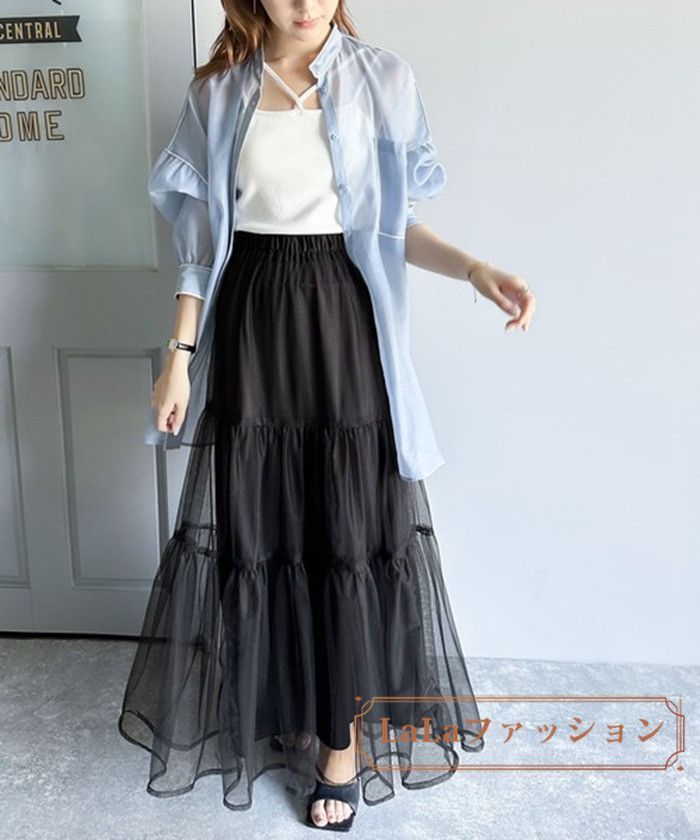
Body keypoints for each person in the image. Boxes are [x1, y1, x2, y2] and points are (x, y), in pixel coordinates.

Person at [118, 0, 536, 832]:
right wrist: (179, 356)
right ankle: (287, 705)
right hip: (253, 322)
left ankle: (340, 747)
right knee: (265, 528)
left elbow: (397, 223)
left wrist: (475, 269)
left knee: (343, 528)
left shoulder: (383, 79)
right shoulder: (218, 93)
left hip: (344, 323)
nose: (304, 3)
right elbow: (199, 245)